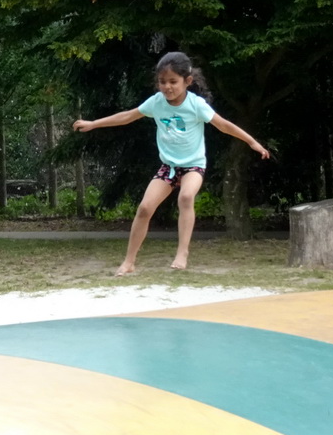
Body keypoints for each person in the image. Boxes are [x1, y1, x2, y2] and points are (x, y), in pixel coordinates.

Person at [73, 51, 270, 275]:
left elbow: (224, 125)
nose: (167, 87)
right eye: (162, 82)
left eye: (173, 82)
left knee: (186, 197)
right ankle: (129, 262)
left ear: (187, 81)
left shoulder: (196, 105)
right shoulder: (156, 103)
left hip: (194, 165)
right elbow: (127, 116)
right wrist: (94, 123)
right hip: (169, 167)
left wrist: (252, 142)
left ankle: (182, 252)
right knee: (145, 208)